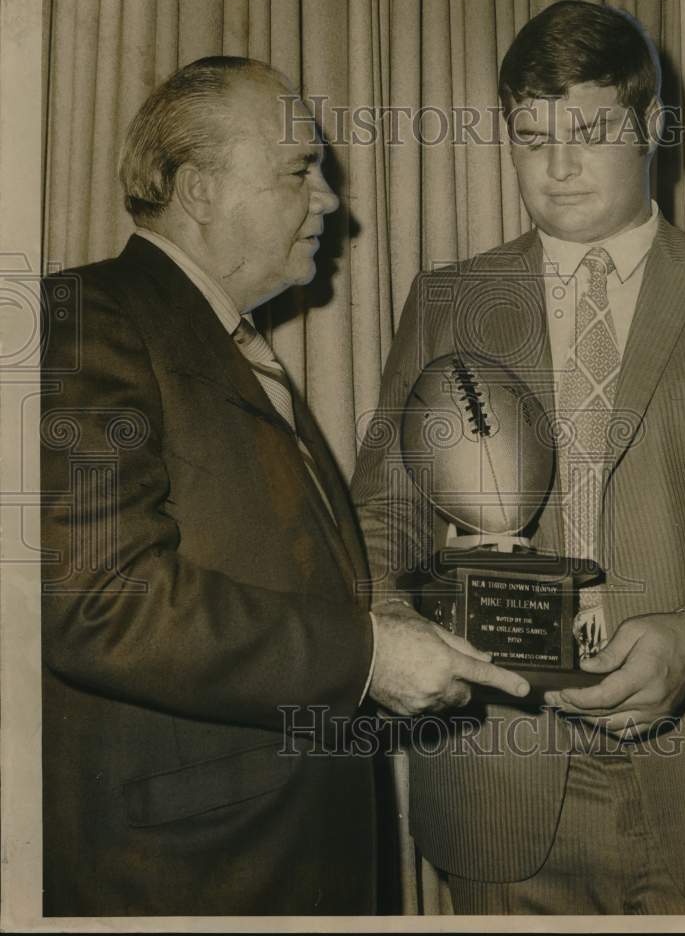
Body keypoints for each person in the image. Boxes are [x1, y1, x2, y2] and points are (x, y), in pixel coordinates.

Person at [40, 56, 530, 917]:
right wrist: (370, 656)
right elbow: (99, 598)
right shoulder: (87, 320)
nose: (331, 201)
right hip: (188, 877)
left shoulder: (224, 341)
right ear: (197, 187)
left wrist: (403, 621)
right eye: (299, 171)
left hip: (281, 855)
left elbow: (283, 577)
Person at [351, 0, 685, 915]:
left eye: (590, 131)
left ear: (652, 127)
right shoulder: (449, 298)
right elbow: (386, 508)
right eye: (530, 136)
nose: (559, 165)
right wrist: (388, 619)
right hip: (499, 777)